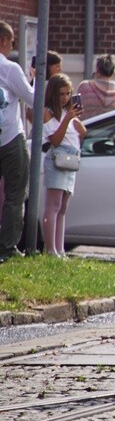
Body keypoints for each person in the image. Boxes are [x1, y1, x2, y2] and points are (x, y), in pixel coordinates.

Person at [41, 74, 87, 257]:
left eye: (69, 93)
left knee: (63, 208)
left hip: (71, 160)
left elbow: (82, 133)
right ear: (53, 93)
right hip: (57, 159)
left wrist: (76, 120)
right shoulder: (49, 112)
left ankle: (60, 249)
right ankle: (50, 249)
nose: (66, 98)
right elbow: (56, 140)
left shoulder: (68, 113)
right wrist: (68, 118)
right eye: (61, 94)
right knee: (53, 205)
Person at [0, 22, 33, 264]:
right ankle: (7, 248)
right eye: (12, 42)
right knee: (15, 194)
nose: (12, 47)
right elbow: (32, 98)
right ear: (3, 41)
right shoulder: (10, 68)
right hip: (10, 138)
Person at [76, 54, 115, 119]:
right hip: (111, 128)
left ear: (97, 69)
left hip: (87, 127)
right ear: (112, 71)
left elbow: (75, 112)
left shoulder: (84, 86)